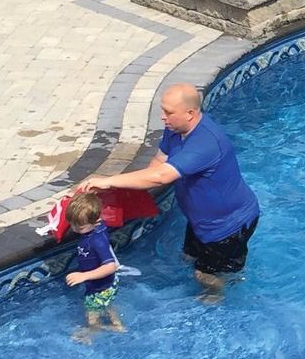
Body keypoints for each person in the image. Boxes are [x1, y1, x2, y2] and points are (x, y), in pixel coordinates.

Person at [80, 83, 259, 293]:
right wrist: (124, 192)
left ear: (190, 113)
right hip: (202, 221)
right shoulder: (175, 129)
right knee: (188, 257)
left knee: (205, 276)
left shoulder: (206, 143)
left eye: (168, 112)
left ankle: (218, 302)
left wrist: (109, 181)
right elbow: (159, 162)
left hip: (229, 226)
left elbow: (162, 176)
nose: (162, 117)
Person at [63, 190, 125, 340]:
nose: (75, 229)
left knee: (91, 314)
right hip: (106, 285)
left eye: (80, 227)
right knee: (106, 304)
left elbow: (111, 266)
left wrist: (83, 276)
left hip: (100, 287)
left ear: (96, 221)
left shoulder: (97, 241)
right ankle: (118, 326)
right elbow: (89, 207)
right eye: (72, 225)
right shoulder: (98, 226)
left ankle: (91, 334)